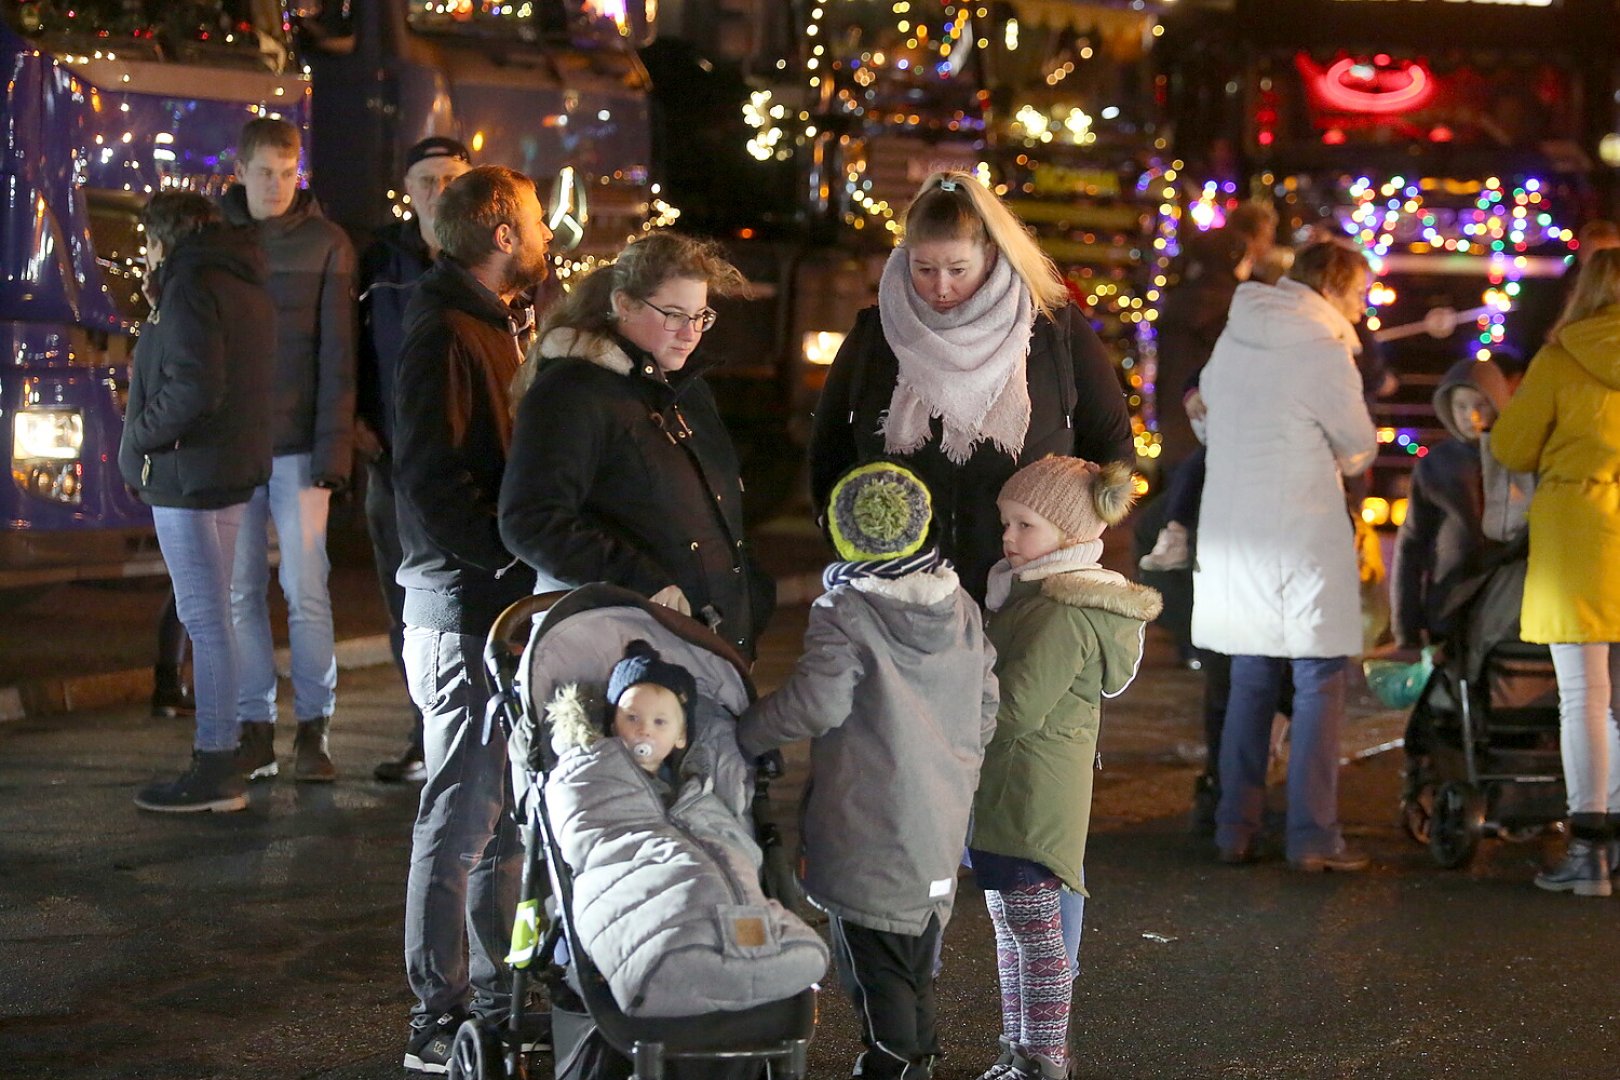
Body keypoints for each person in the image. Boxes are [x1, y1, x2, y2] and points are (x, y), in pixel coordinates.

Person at [737, 461, 998, 1080]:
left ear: (845, 537)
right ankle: (920, 1056)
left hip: (869, 820)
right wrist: (958, 761)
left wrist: (746, 731)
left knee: (871, 955)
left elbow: (819, 701)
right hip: (941, 810)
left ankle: (890, 1062)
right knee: (915, 953)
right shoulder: (956, 602)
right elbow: (988, 701)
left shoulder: (848, 611)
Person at [392, 165, 549, 1071]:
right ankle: (438, 1013)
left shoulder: (488, 322)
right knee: (459, 817)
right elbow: (433, 472)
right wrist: (500, 556)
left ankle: (493, 998)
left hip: (490, 602)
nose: (541, 234)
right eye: (531, 220)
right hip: (462, 609)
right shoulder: (448, 331)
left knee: (496, 816)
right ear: (498, 232)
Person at [809, 170, 1133, 606]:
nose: (941, 287)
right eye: (924, 269)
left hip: (1026, 583)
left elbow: (1110, 441)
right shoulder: (877, 334)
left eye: (958, 269)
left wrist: (1068, 540)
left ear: (992, 256)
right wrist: (846, 526)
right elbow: (829, 446)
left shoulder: (1053, 330)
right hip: (902, 583)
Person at [968, 456, 1161, 1080]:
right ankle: (1019, 1050)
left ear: (1072, 535)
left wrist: (951, 716)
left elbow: (1018, 707)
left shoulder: (1061, 611)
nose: (1009, 537)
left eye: (1025, 525)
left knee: (1034, 929)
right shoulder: (1031, 596)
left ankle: (1044, 1056)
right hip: (1012, 782)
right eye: (1007, 522)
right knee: (1011, 926)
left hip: (1031, 786)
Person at [498, 231, 775, 660]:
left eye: (701, 316)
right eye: (673, 314)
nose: (690, 333)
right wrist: (643, 581)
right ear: (623, 304)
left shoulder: (684, 388)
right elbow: (531, 518)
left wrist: (749, 597)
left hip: (705, 646)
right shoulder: (574, 391)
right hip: (616, 650)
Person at [1191, 240, 1378, 871]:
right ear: (1332, 287)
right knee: (1319, 678)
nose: (1361, 308)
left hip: (1236, 530)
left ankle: (1234, 828)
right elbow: (1358, 445)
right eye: (1358, 294)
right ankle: (1313, 836)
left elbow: (1206, 418)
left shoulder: (1236, 336)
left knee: (1249, 676)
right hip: (1300, 533)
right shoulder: (1323, 352)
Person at [542, 640, 827, 1020]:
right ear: (612, 722)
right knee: (678, 893)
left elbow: (731, 841)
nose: (644, 730)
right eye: (632, 718)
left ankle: (742, 950)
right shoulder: (590, 773)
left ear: (680, 737)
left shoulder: (698, 783)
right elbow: (585, 831)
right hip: (640, 866)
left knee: (729, 868)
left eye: (660, 722)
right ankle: (687, 957)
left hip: (710, 871)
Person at [122, 191, 274, 811]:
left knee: (204, 617)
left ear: (164, 239)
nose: (147, 254)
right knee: (215, 616)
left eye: (148, 242)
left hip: (185, 476)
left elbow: (192, 386)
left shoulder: (189, 286)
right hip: (228, 472)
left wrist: (138, 435)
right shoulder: (244, 281)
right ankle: (223, 754)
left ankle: (215, 764)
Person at [220, 117, 355, 784]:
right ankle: (254, 726)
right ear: (239, 170)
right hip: (233, 447)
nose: (276, 184)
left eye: (287, 170)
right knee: (240, 591)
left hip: (299, 448)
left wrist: (333, 454)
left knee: (305, 588)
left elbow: (339, 357)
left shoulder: (326, 243)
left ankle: (313, 729)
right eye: (264, 171)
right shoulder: (215, 240)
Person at [1490, 247, 1620, 897]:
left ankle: (1590, 851)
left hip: (1579, 535)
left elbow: (1511, 445)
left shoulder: (1564, 358)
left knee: (1584, 696)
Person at [356, 135, 474, 783]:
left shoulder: (488, 258)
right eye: (425, 179)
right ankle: (422, 729)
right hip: (395, 462)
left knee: (470, 599)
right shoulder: (382, 260)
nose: (436, 190)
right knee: (405, 600)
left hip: (471, 464)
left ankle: (469, 727)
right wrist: (351, 420)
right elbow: (349, 347)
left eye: (449, 177)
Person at [1391, 356, 1516, 651]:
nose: (1470, 415)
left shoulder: (1518, 458)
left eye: (1480, 404)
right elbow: (1412, 544)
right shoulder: (1437, 465)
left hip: (1509, 600)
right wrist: (1406, 624)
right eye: (1460, 406)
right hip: (1450, 601)